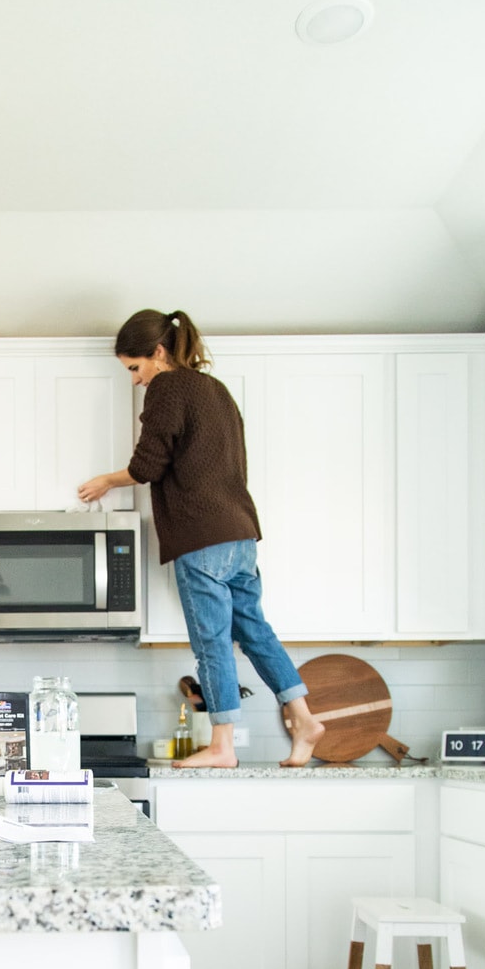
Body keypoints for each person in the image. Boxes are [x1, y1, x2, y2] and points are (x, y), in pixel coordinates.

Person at [77, 308, 325, 768]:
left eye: (135, 367)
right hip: (240, 533)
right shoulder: (216, 389)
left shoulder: (168, 387)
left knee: (212, 643)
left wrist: (107, 481)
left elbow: (148, 465)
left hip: (200, 535)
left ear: (158, 352)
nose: (136, 380)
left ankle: (222, 746)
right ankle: (305, 719)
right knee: (255, 631)